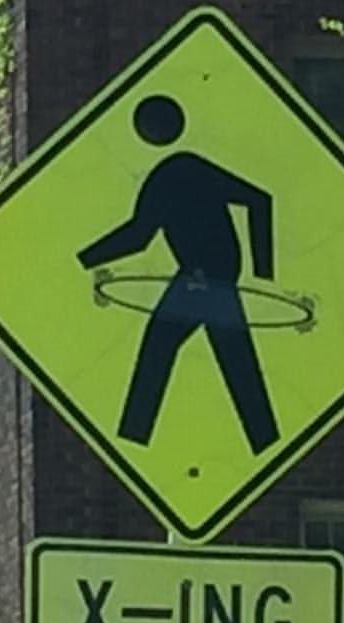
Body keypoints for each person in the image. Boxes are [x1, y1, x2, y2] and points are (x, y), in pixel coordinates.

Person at [78, 94, 280, 454]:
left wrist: (264, 273)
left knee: (162, 345)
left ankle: (135, 437)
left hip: (203, 279)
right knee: (234, 360)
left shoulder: (179, 171)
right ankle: (263, 439)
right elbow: (140, 236)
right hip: (208, 278)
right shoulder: (174, 173)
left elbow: (258, 200)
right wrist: (86, 260)